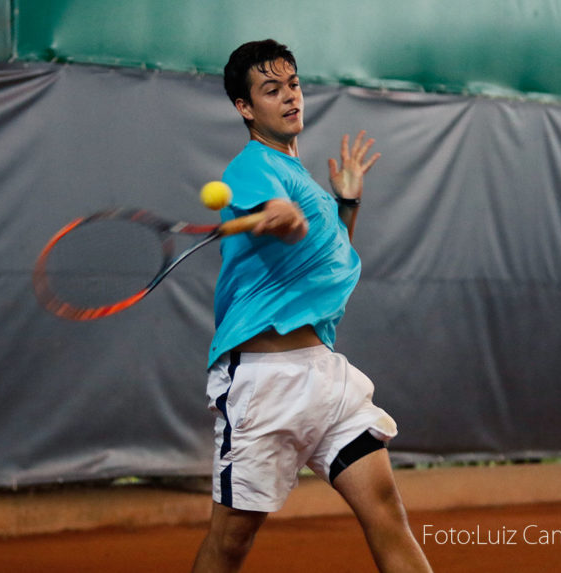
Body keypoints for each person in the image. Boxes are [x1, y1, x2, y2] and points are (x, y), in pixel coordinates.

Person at [191, 39, 432, 573]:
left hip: (326, 378)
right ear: (245, 107)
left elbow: (327, 262)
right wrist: (281, 215)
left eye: (293, 84)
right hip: (264, 385)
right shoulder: (251, 166)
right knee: (229, 544)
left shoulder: (309, 186)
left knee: (387, 512)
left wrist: (346, 203)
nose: (290, 96)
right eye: (271, 90)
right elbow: (277, 210)